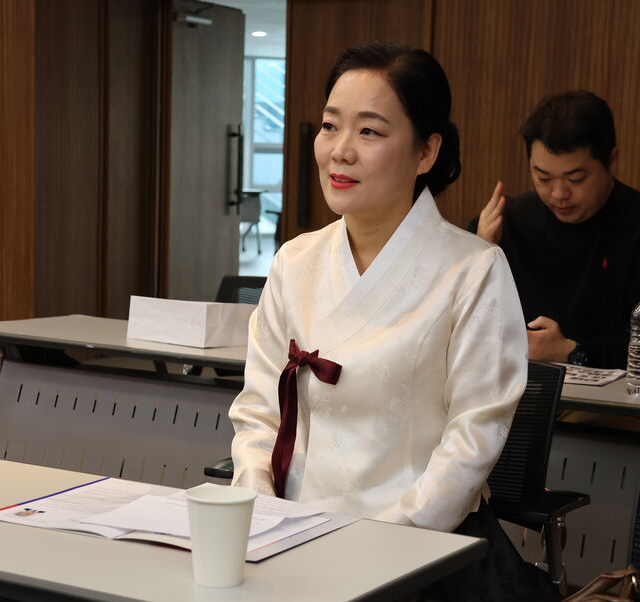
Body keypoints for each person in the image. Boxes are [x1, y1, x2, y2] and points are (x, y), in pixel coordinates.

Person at [229, 42, 557, 601]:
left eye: (369, 131)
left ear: (426, 151)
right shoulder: (294, 261)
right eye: (330, 126)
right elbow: (258, 413)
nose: (340, 151)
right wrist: (262, 511)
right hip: (294, 542)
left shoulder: (474, 270)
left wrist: (383, 546)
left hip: (423, 554)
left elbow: (473, 440)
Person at [471, 91, 640, 371]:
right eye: (543, 178)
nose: (559, 194)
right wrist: (478, 255)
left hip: (615, 396)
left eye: (576, 179)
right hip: (517, 391)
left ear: (612, 161)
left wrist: (571, 351)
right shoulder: (504, 223)